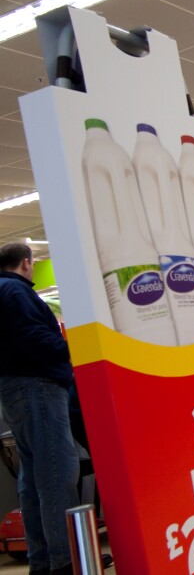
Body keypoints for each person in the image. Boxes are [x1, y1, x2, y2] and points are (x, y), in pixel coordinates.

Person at [0, 243, 79, 575]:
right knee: (58, 474)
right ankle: (64, 559)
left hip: (16, 390)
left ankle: (43, 560)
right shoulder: (16, 292)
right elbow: (34, 339)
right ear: (26, 263)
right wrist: (73, 346)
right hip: (38, 387)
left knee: (33, 480)